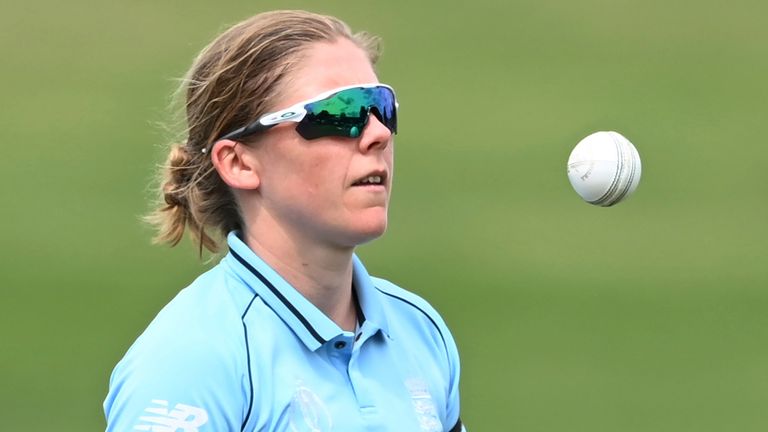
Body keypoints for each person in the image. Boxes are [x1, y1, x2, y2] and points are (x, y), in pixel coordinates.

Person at [104, 10, 464, 432]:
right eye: (339, 114)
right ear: (239, 163)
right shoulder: (191, 362)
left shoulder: (420, 330)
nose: (378, 134)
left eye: (380, 107)